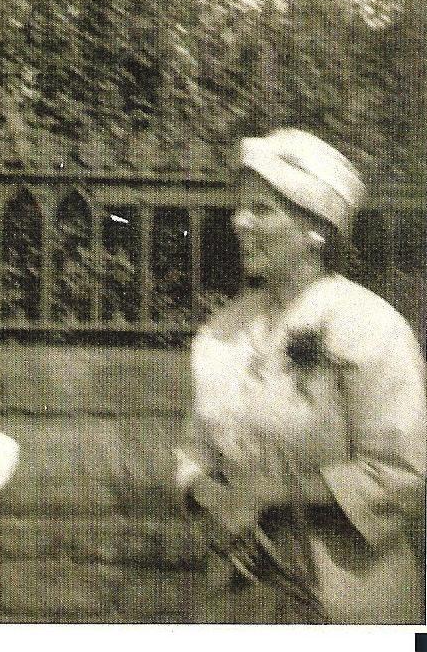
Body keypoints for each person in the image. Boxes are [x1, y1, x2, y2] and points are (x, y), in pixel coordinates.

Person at [175, 128, 426, 624]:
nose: (239, 222)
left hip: (349, 591)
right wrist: (213, 498)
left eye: (261, 210)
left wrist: (274, 493)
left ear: (315, 230)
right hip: (238, 591)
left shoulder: (367, 325)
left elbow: (406, 471)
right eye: (240, 207)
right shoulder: (222, 332)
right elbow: (193, 453)